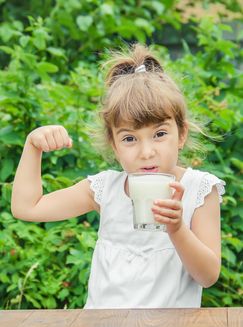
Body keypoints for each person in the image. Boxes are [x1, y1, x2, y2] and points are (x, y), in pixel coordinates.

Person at [11, 44, 225, 308]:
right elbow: (26, 208)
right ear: (113, 144)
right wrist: (33, 147)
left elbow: (208, 276)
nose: (147, 152)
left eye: (159, 134)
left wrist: (177, 228)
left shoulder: (199, 190)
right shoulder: (106, 189)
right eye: (129, 139)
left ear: (181, 135)